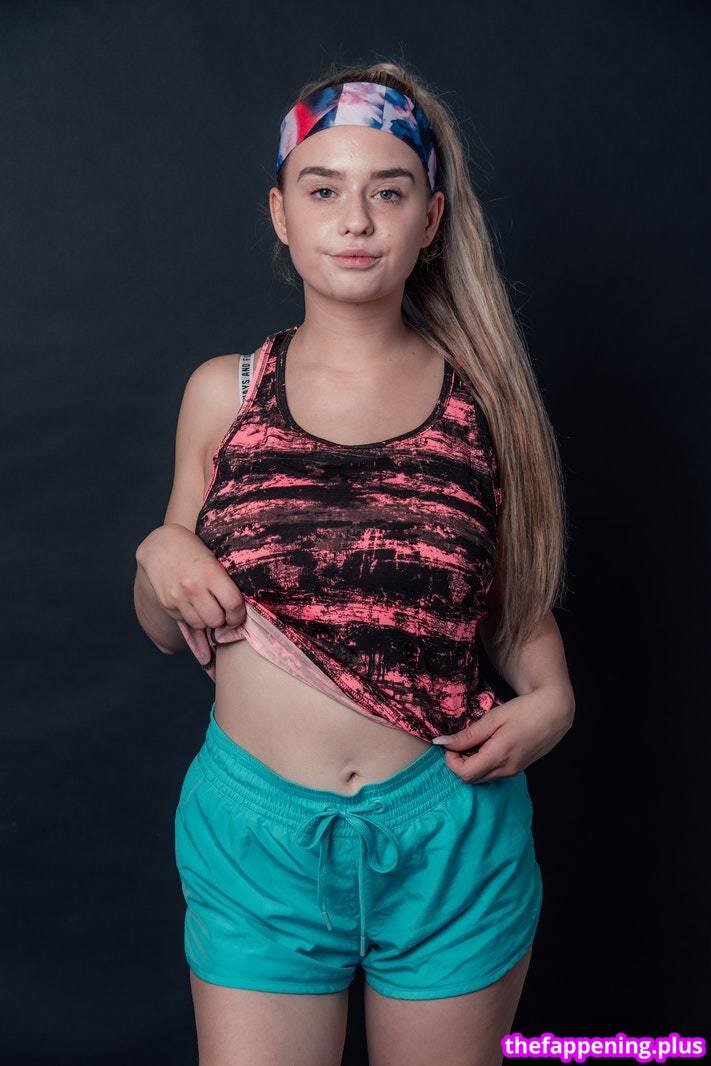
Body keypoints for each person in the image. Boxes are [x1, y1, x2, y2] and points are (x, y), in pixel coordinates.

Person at [134, 60, 575, 1066]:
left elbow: (510, 600)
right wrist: (161, 551)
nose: (356, 220)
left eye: (389, 191)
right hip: (257, 835)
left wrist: (553, 701)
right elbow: (165, 623)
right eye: (323, 189)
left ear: (431, 219)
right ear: (281, 214)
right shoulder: (225, 392)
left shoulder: (484, 402)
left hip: (447, 830)